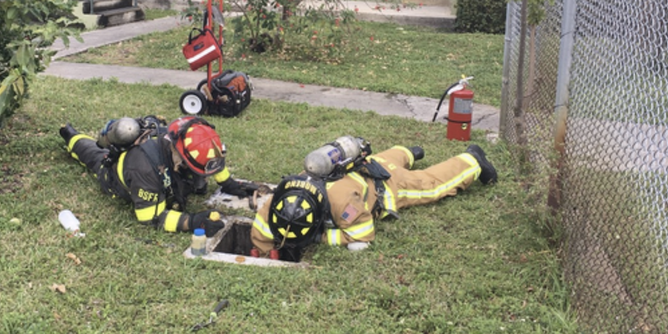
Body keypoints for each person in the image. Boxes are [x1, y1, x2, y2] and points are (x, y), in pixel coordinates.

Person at [249, 139, 498, 261]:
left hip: (383, 185)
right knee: (389, 158)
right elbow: (262, 228)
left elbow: (362, 234)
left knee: (429, 186)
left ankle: (472, 160)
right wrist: (260, 253)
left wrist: (319, 238)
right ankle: (410, 152)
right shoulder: (280, 200)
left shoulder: (342, 203)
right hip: (365, 165)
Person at [59, 115, 256, 237]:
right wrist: (192, 222)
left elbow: (208, 157)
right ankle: (69, 135)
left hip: (165, 167)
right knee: (92, 154)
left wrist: (230, 184)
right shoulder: (144, 169)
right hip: (115, 176)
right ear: (180, 159)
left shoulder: (188, 137)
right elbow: (150, 217)